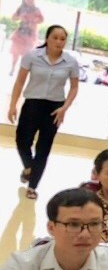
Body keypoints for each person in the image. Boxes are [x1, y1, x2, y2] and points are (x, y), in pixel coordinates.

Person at [7, 24, 79, 199]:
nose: (59, 42)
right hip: (32, 104)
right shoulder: (32, 56)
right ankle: (29, 167)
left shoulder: (71, 62)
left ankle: (32, 186)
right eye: (55, 38)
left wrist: (65, 108)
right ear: (47, 38)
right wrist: (13, 105)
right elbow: (19, 82)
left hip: (55, 108)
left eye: (62, 39)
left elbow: (74, 87)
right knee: (22, 140)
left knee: (44, 147)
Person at [8, 0, 43, 75]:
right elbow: (13, 18)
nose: (30, 0)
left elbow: (41, 20)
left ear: (34, 0)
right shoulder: (21, 8)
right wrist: (20, 17)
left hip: (30, 34)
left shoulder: (36, 9)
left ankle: (22, 71)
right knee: (15, 53)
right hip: (20, 33)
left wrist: (33, 20)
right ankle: (13, 68)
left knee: (26, 54)